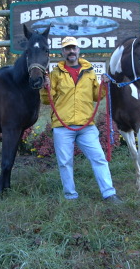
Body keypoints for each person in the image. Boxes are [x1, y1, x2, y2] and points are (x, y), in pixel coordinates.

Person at [40, 36, 123, 204]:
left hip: (86, 125)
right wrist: (45, 87)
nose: (71, 51)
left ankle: (109, 193)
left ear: (78, 50)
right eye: (67, 48)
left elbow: (96, 96)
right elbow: (47, 100)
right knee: (65, 163)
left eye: (73, 48)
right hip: (63, 126)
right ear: (63, 52)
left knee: (99, 158)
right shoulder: (55, 73)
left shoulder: (90, 71)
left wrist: (104, 86)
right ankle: (70, 196)